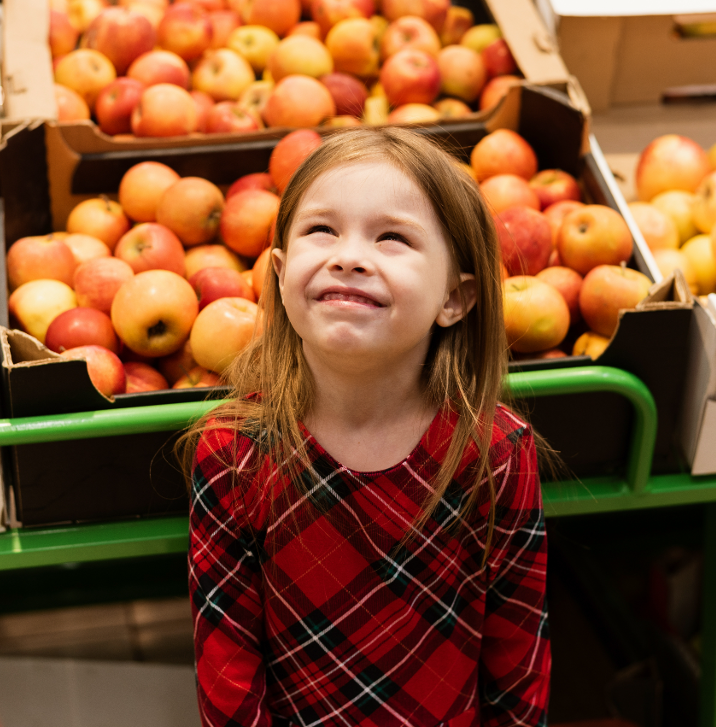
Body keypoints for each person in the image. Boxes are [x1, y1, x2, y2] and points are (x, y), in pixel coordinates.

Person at [182, 127, 549, 727]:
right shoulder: (232, 453)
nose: (348, 256)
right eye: (321, 230)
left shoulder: (497, 453)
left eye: (393, 237)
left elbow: (519, 660)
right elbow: (229, 676)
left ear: (454, 298)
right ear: (277, 272)